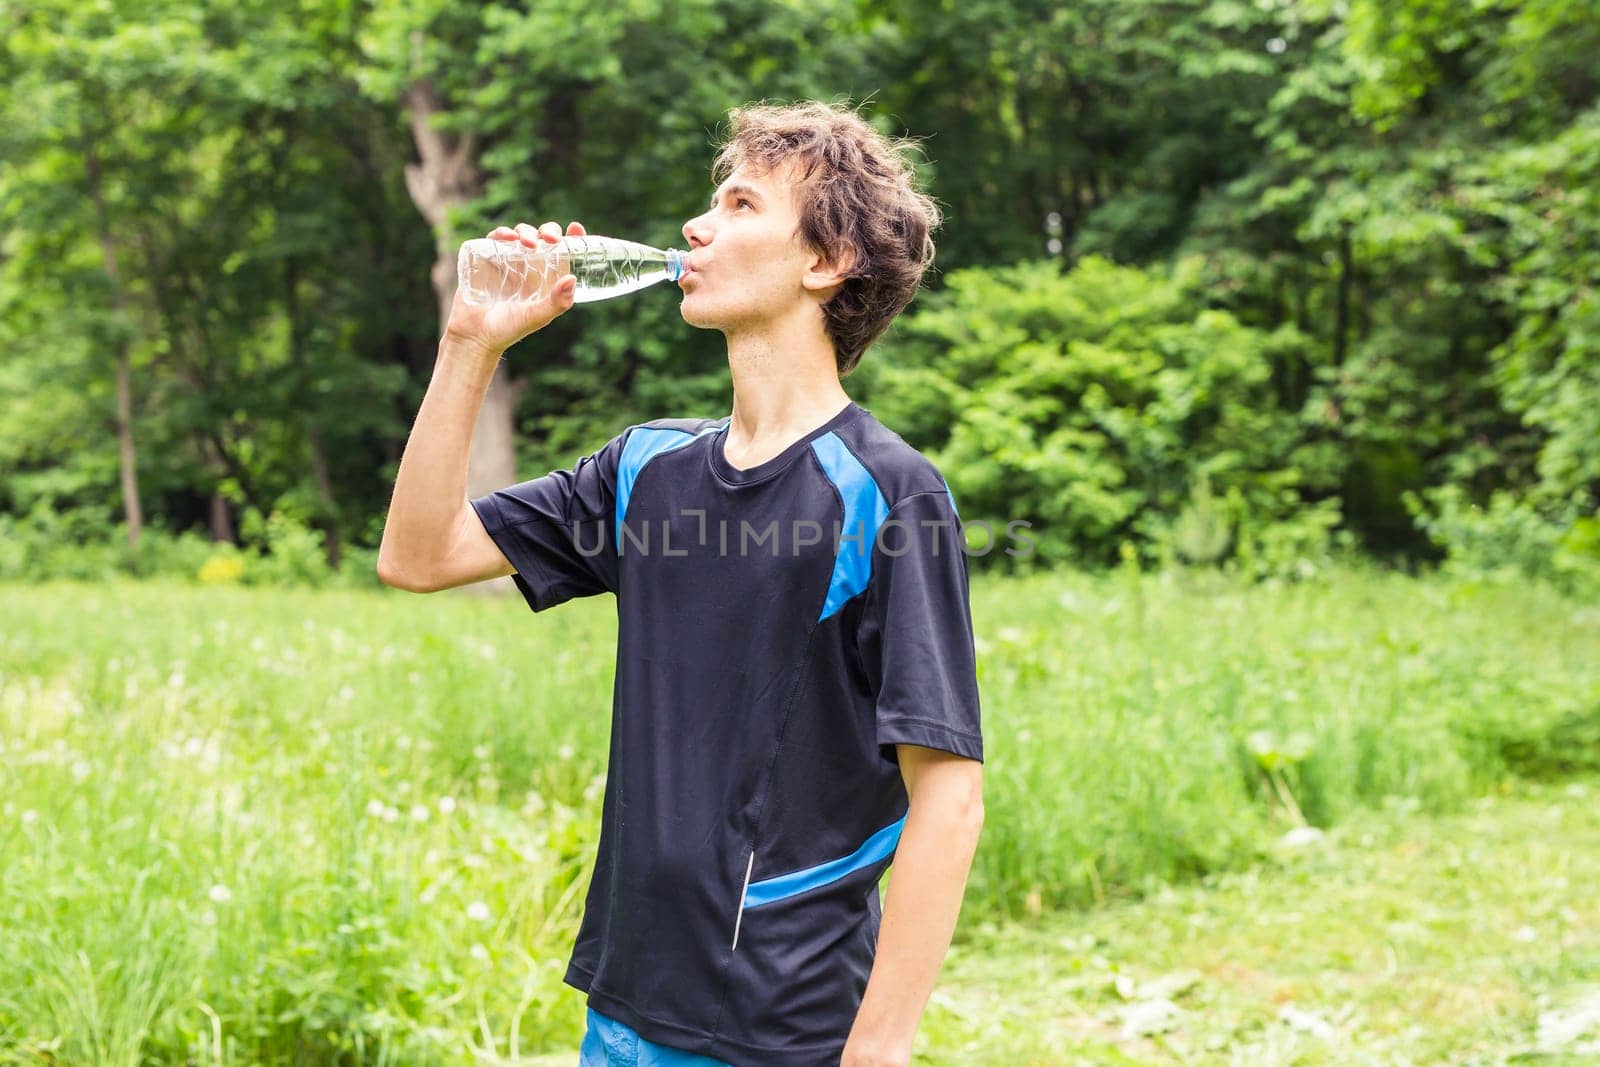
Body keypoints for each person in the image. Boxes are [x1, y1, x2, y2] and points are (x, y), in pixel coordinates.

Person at [377, 100, 984, 1067]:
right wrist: (470, 346)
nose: (697, 226)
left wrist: (879, 1050)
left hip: (784, 1024)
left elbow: (948, 796)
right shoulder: (645, 469)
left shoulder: (890, 493)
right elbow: (419, 555)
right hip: (625, 1001)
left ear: (824, 262)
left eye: (741, 204)